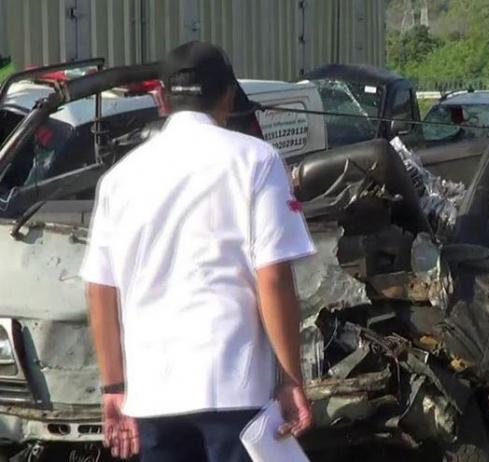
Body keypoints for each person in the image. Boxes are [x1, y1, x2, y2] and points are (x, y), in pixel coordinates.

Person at [81, 41, 315, 461]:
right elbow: (273, 278)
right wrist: (290, 376)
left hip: (152, 395)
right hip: (236, 391)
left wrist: (114, 386)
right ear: (228, 94)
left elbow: (100, 289)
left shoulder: (119, 179)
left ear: (160, 99)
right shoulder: (257, 160)